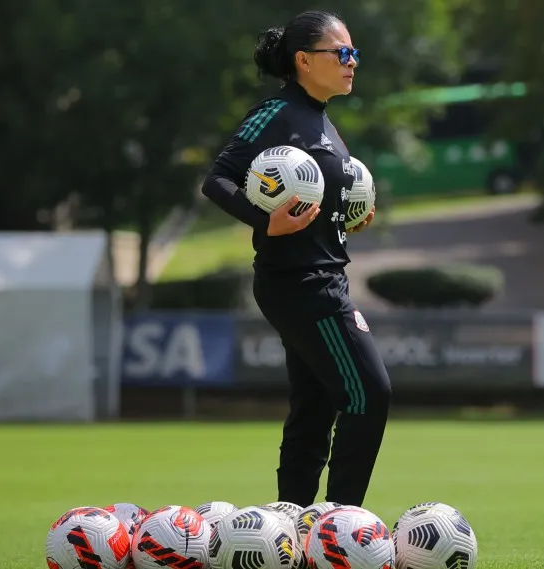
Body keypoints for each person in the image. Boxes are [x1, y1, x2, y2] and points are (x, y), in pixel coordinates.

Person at [200, 10, 391, 508]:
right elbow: (218, 180)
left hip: (323, 276)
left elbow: (313, 201)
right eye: (342, 53)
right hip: (301, 283)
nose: (352, 62)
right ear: (304, 60)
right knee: (369, 394)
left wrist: (344, 218)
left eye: (355, 54)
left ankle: (292, 526)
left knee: (315, 409)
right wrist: (265, 221)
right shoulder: (277, 112)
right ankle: (341, 528)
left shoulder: (324, 121)